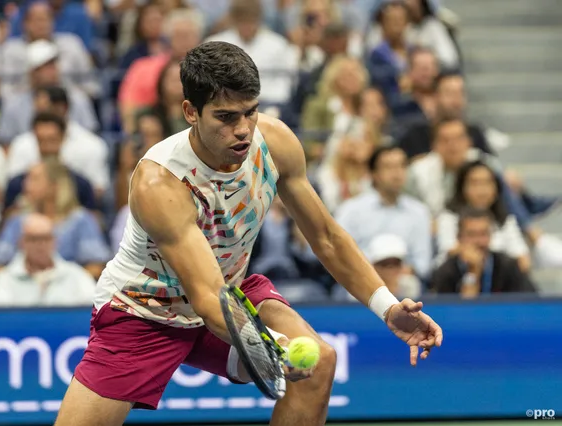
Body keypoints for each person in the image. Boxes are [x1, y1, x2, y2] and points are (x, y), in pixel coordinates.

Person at [54, 41, 442, 426]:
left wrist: (387, 306)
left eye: (250, 112)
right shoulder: (161, 182)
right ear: (191, 112)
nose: (242, 130)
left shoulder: (273, 143)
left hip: (229, 293)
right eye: (225, 117)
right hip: (143, 311)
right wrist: (277, 347)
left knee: (320, 362)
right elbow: (207, 298)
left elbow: (325, 236)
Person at [335, 146, 432, 279]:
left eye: (401, 166)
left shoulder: (419, 212)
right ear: (374, 174)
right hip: (360, 280)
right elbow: (339, 255)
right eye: (388, 167)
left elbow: (422, 264)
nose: (396, 173)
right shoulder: (351, 210)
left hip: (404, 283)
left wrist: (399, 273)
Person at [0, 213, 96, 307]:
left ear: (55, 241)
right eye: (33, 239)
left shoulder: (77, 275)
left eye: (46, 239)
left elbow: (93, 313)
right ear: (22, 243)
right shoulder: (5, 279)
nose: (40, 245)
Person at [430, 208, 535, 297]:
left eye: (483, 234)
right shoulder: (446, 271)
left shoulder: (508, 266)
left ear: (491, 236)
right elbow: (462, 312)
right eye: (471, 235)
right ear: (459, 238)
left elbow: (527, 305)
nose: (478, 242)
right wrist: (473, 272)